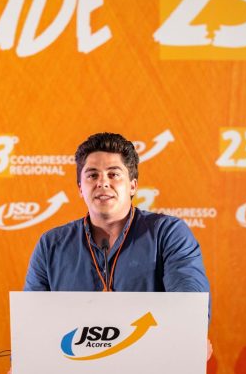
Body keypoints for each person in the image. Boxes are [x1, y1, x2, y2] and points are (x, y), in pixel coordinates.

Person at [21, 132, 212, 360]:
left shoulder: (168, 233)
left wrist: (192, 334)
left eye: (114, 174)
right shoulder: (51, 244)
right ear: (80, 188)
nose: (103, 182)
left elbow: (188, 299)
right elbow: (32, 321)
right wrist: (22, 362)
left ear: (133, 186)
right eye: (92, 175)